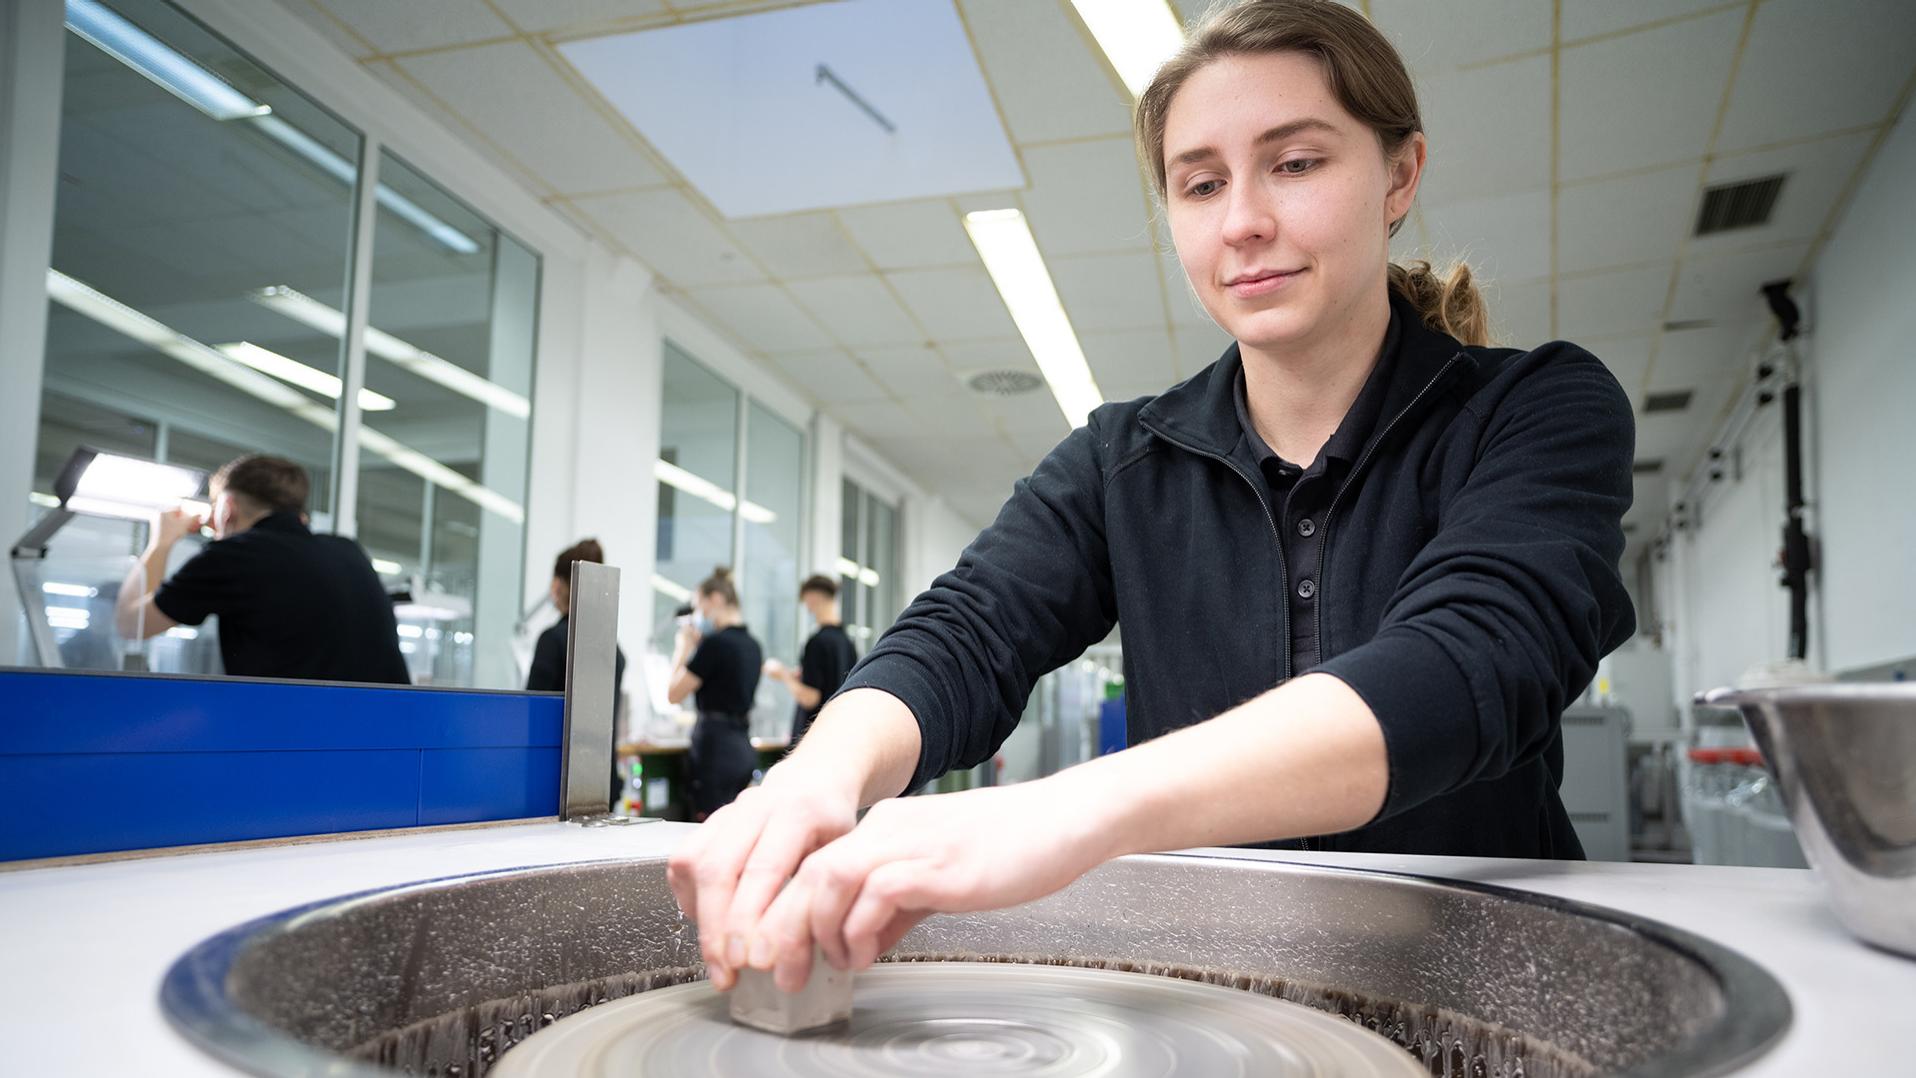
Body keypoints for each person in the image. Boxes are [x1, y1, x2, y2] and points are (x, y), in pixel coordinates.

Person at [669, 0, 1636, 995]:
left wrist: (1068, 812)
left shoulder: (1532, 408)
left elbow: (1470, 659)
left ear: (1398, 175)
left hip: (1477, 986)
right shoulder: (1121, 459)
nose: (1242, 220)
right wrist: (819, 774)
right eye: (1200, 183)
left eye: (1294, 163)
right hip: (1220, 987)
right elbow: (968, 629)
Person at [114, 454, 410, 684]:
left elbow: (132, 624)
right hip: (391, 740)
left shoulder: (235, 555)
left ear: (227, 508)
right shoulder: (348, 550)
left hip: (294, 741)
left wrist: (161, 542)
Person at [527, 539, 628, 805]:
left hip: (553, 785)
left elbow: (532, 719)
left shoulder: (552, 641)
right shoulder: (612, 648)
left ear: (557, 585)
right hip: (602, 785)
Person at [667, 567, 765, 819]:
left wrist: (684, 648)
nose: (699, 615)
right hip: (741, 748)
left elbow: (673, 694)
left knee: (707, 827)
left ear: (716, 600)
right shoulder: (753, 646)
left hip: (714, 750)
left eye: (699, 607)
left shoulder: (715, 644)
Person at [763, 575, 860, 747]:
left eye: (806, 601)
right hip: (838, 732)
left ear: (812, 597)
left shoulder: (817, 642)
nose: (807, 607)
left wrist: (783, 674)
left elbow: (810, 697)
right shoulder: (847, 643)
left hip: (814, 736)